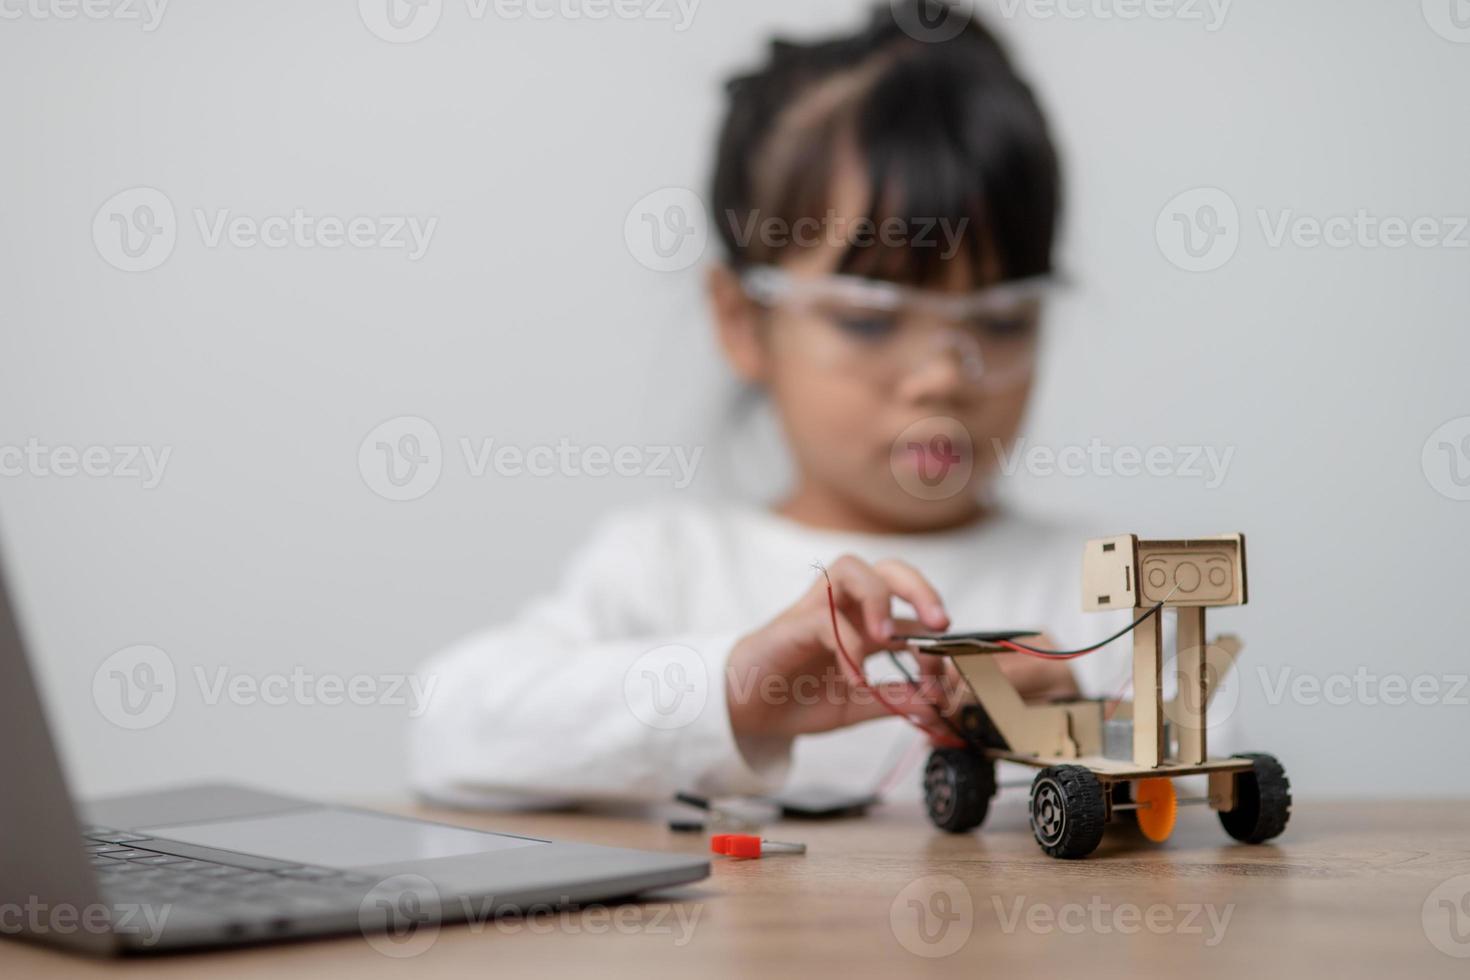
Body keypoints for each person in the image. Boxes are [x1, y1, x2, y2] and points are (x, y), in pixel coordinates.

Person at [411, 2, 1161, 809]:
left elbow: (1204, 750)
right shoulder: (666, 567)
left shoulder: (1101, 583)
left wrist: (1085, 710)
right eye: (869, 319)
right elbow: (449, 726)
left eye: (1003, 319)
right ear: (743, 320)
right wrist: (733, 685)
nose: (943, 377)